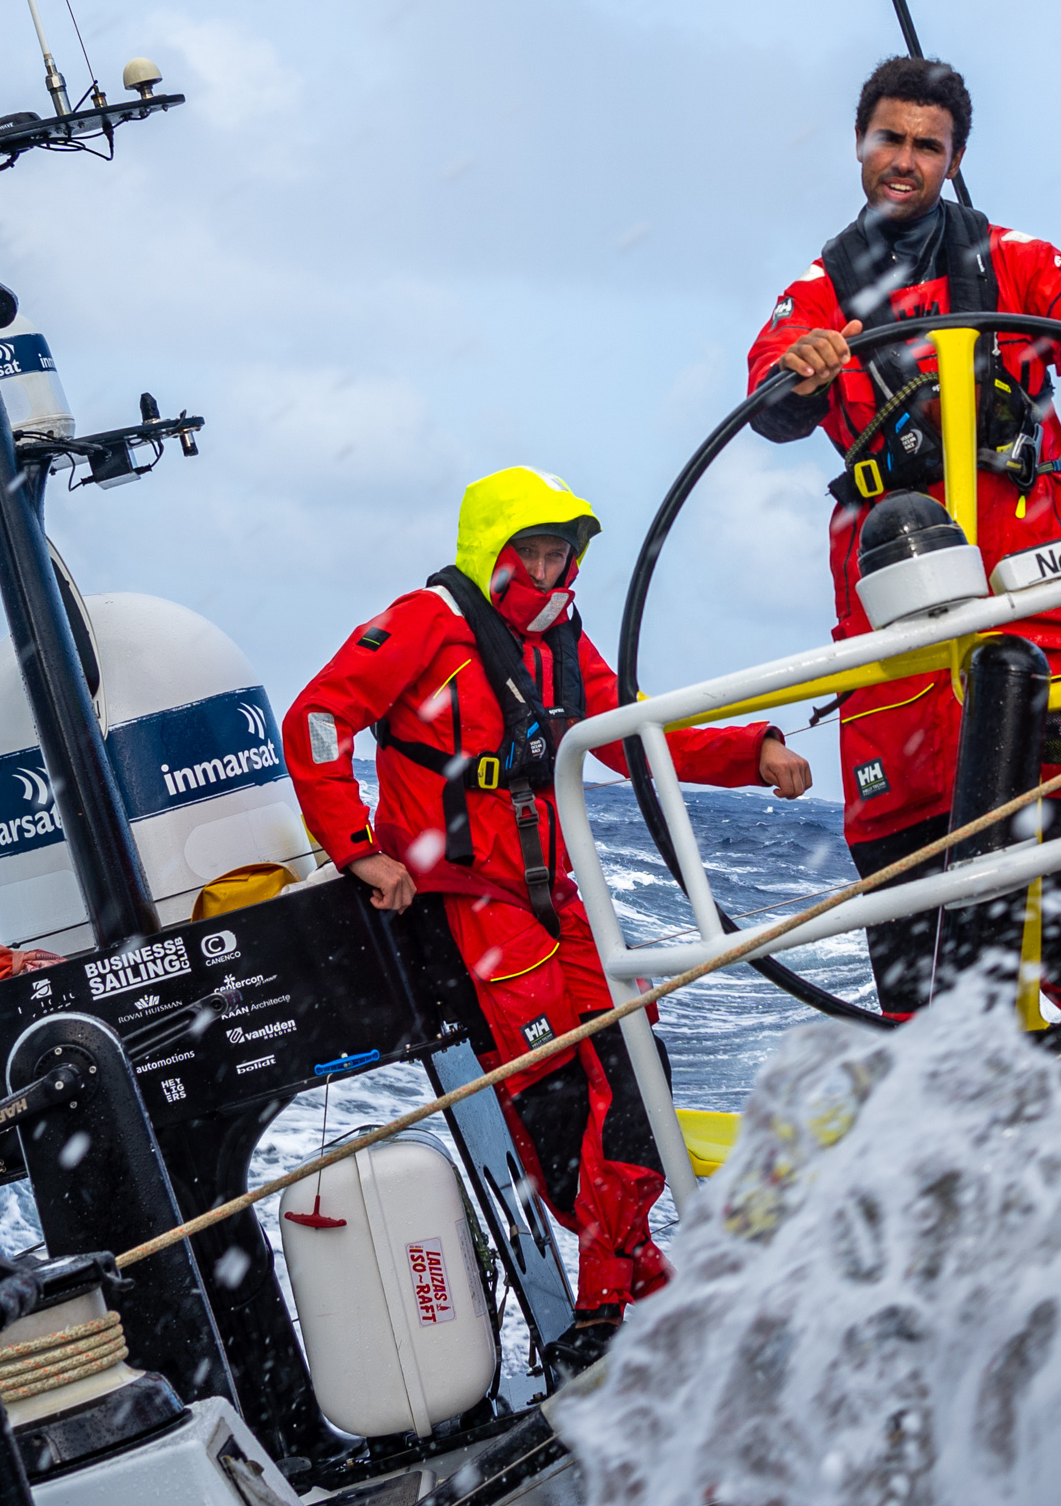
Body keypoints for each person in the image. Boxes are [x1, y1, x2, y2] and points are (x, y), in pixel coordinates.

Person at [284, 466, 811, 1373]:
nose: (546, 566)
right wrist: (356, 848)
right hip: (465, 908)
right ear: (491, 552)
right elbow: (318, 720)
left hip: (558, 900)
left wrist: (753, 751)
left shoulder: (563, 641)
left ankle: (621, 1289)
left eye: (559, 550)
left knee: (638, 1066)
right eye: (529, 548)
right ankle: (613, 1289)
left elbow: (634, 731)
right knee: (560, 1107)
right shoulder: (424, 624)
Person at [746, 55, 1061, 1016]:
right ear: (860, 144)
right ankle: (944, 1078)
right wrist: (800, 369)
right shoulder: (817, 291)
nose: (905, 160)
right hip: (896, 618)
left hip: (1038, 588)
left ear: (956, 158)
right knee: (915, 874)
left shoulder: (1017, 262)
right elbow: (769, 393)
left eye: (928, 145)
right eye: (890, 139)